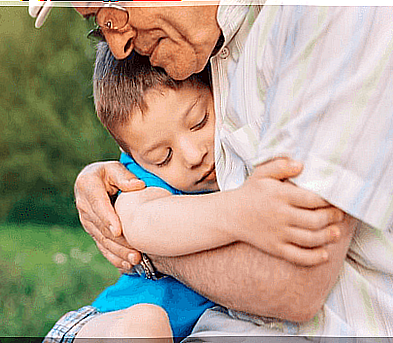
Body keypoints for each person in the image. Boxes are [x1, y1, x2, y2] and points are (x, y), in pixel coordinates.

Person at [33, 1, 393, 341]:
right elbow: (139, 216)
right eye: (98, 27)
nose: (118, 46)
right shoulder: (206, 48)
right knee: (143, 325)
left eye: (110, 12)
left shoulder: (321, 20)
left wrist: (147, 253)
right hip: (118, 323)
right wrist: (241, 211)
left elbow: (291, 283)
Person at [45, 41, 342, 342]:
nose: (192, 155)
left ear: (218, 93)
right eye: (164, 156)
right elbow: (142, 223)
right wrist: (243, 210)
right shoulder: (140, 180)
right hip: (104, 325)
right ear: (133, 158)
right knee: (146, 326)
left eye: (199, 122)